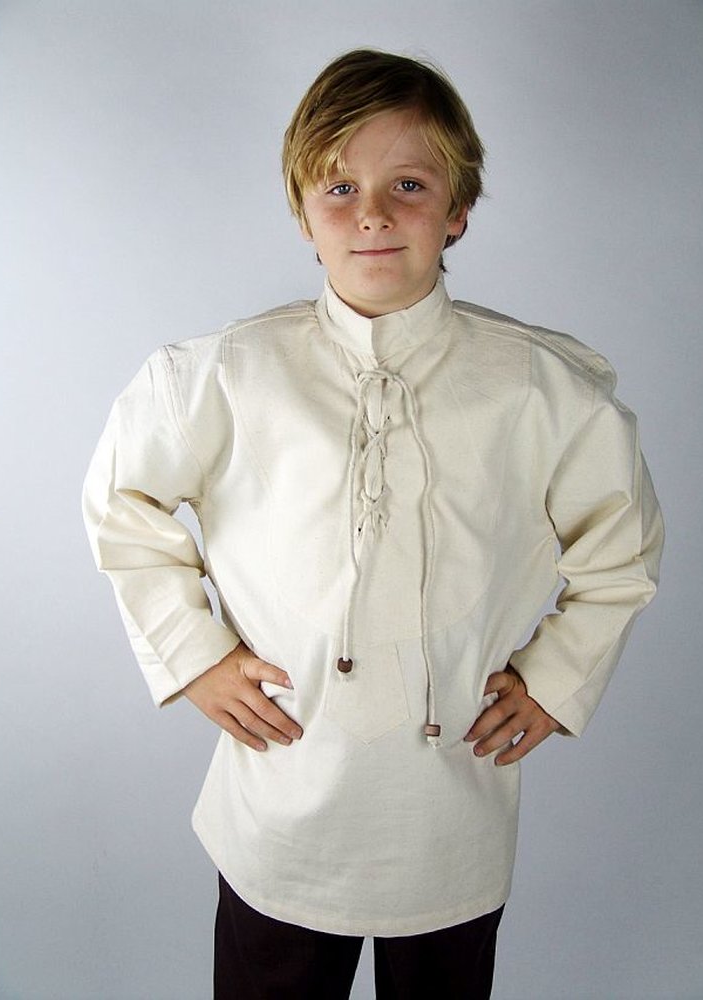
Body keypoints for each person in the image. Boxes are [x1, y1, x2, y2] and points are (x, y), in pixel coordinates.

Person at [83, 48, 664, 999]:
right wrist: (193, 654)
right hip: (282, 805)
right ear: (303, 214)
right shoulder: (226, 376)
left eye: (409, 185)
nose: (374, 215)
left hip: (453, 809)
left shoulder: (540, 389)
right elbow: (123, 499)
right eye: (340, 188)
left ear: (458, 208)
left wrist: (557, 678)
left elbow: (621, 542)